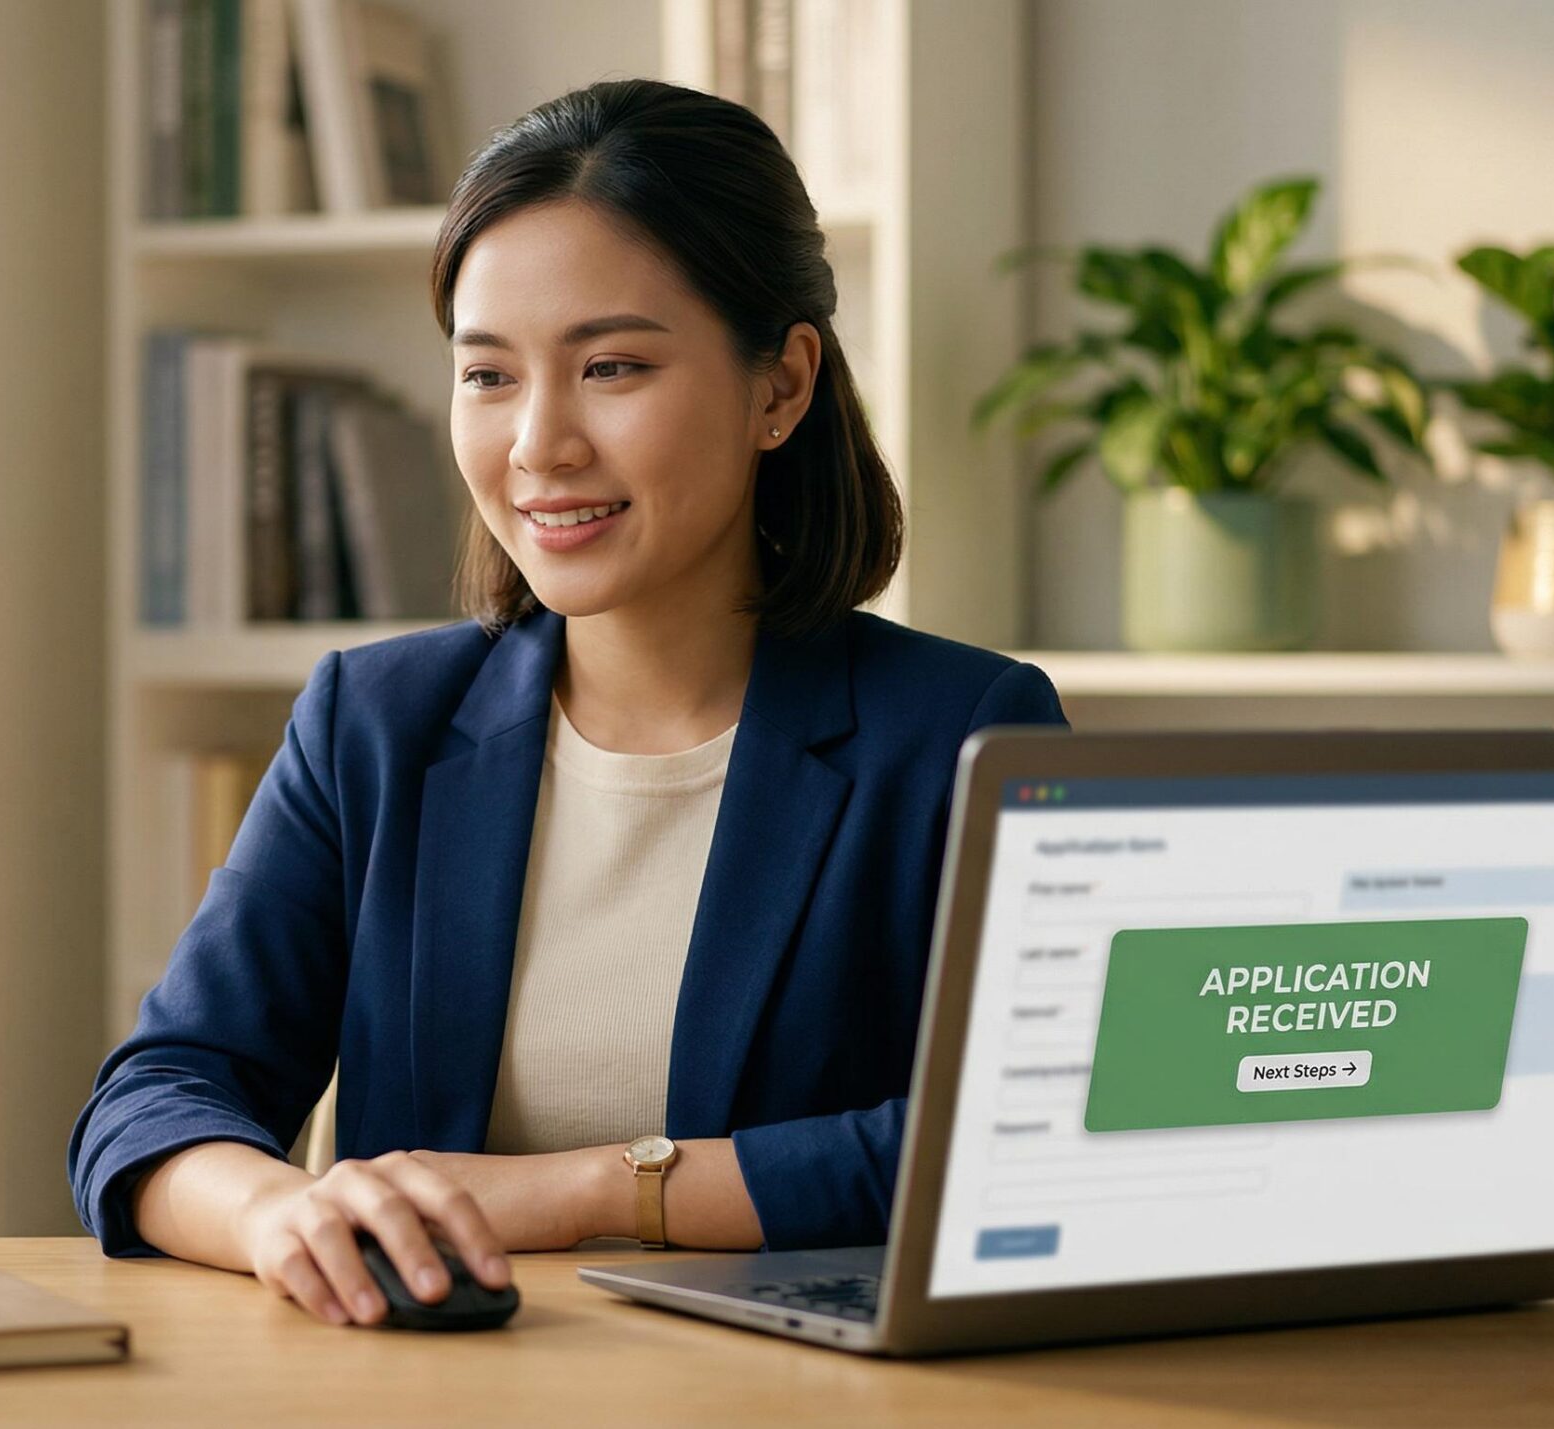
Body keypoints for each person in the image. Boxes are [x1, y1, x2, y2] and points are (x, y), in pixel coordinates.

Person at [68, 77, 1066, 1329]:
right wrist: (279, 1209)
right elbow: (156, 1098)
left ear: (781, 387)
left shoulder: (964, 732)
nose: (539, 442)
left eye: (611, 365)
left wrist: (591, 1188)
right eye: (487, 376)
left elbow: (1021, 1130)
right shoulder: (371, 722)